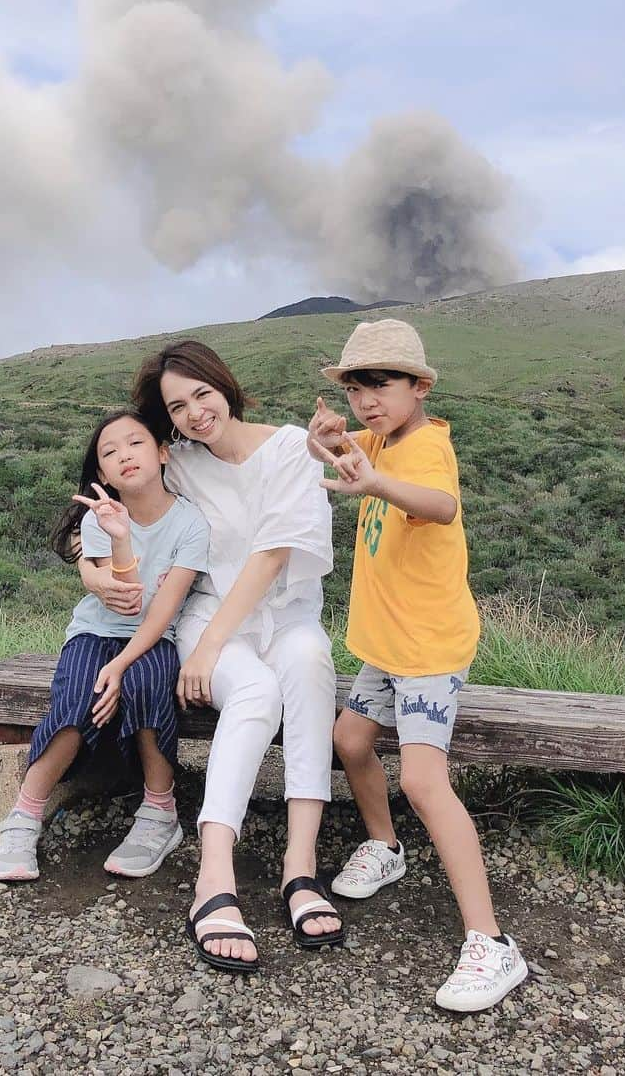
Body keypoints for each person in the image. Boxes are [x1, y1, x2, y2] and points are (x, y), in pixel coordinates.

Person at [307, 319, 528, 1013]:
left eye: (381, 384)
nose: (366, 400)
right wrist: (330, 442)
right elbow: (354, 452)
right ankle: (385, 846)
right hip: (388, 647)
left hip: (429, 649)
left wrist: (375, 482)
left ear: (419, 387)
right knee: (348, 740)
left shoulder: (428, 447)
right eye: (355, 386)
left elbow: (440, 504)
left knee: (428, 782)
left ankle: (492, 943)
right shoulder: (377, 440)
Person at [132, 341, 344, 973]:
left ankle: (299, 868)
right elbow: (128, 488)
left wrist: (215, 644)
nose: (197, 412)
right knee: (255, 693)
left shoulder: (288, 447)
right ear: (167, 418)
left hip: (284, 616)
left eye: (202, 393)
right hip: (209, 616)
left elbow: (275, 553)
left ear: (223, 385)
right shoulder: (181, 463)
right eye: (178, 406)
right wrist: (101, 572)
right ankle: (213, 877)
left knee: (309, 664)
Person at [0, 409, 209, 884]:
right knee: (78, 696)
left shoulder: (190, 524)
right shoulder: (100, 518)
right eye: (109, 453)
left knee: (148, 684)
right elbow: (124, 600)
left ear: (163, 452)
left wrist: (122, 666)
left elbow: (156, 615)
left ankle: (159, 811)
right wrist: (121, 537)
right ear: (102, 474)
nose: (124, 456)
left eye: (135, 443)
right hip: (93, 632)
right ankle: (24, 815)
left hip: (153, 637)